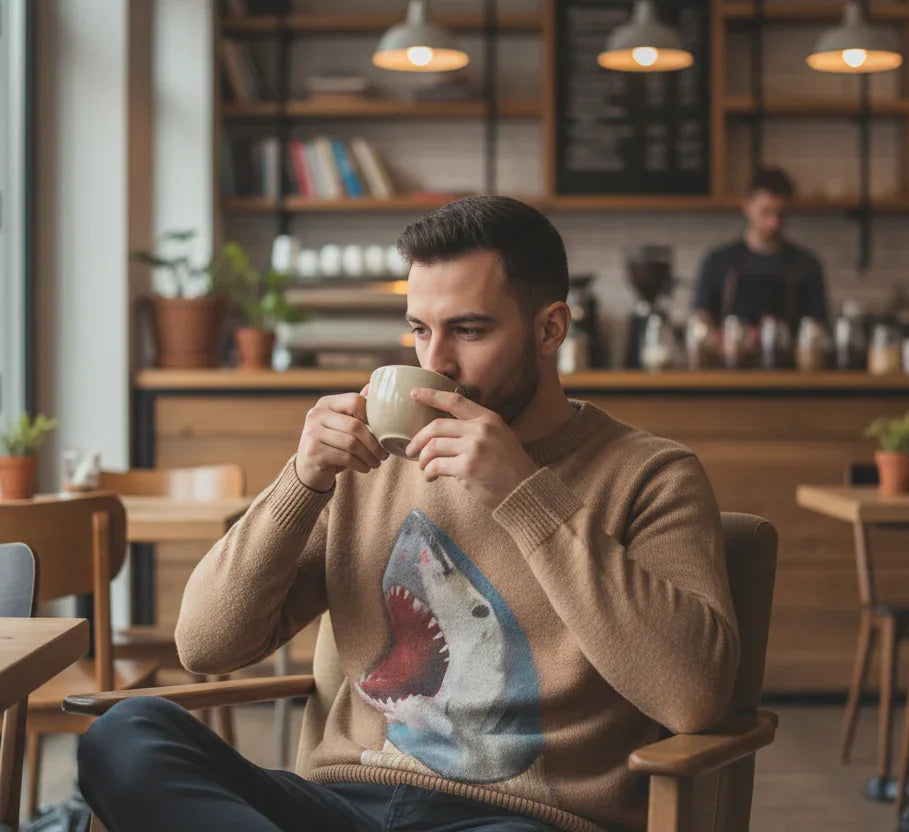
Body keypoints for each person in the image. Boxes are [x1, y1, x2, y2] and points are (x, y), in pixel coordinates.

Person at [78, 196, 740, 832]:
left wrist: (524, 495)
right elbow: (205, 645)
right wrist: (301, 481)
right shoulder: (374, 467)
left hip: (519, 820)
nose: (435, 363)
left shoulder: (651, 475)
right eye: (421, 330)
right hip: (340, 805)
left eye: (468, 330)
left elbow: (692, 696)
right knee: (125, 736)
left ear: (551, 329)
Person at [692, 167, 829, 330]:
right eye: (766, 212)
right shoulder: (717, 261)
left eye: (781, 214)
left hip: (787, 354)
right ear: (747, 207)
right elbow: (701, 318)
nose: (774, 223)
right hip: (730, 353)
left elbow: (819, 325)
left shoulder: (807, 264)